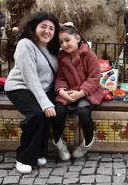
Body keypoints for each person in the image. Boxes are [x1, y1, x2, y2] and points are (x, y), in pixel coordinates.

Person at [4, 12, 60, 174]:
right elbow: (31, 78)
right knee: (36, 114)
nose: (47, 31)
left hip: (42, 90)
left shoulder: (50, 50)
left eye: (51, 28)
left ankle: (40, 153)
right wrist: (45, 104)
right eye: (43, 27)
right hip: (20, 87)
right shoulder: (25, 45)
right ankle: (23, 157)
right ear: (33, 27)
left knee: (52, 114)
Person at [52, 22, 103, 161]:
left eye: (67, 40)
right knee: (58, 111)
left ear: (78, 38)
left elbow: (94, 77)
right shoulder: (62, 58)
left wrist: (81, 92)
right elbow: (60, 77)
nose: (64, 44)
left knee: (83, 111)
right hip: (68, 91)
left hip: (88, 91)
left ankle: (87, 142)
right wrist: (62, 91)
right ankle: (58, 142)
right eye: (61, 42)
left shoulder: (89, 55)